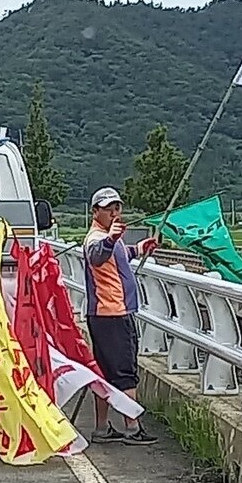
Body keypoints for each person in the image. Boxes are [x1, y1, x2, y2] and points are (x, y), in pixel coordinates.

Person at [82, 186, 158, 444]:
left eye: (117, 207)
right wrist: (112, 239)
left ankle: (102, 428)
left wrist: (139, 248)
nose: (114, 213)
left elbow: (119, 257)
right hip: (113, 313)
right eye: (108, 208)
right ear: (95, 212)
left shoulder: (109, 237)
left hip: (104, 314)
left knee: (103, 370)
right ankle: (132, 427)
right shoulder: (97, 238)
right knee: (125, 371)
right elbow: (97, 256)